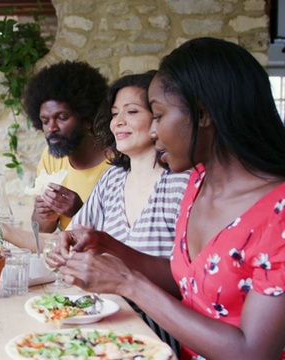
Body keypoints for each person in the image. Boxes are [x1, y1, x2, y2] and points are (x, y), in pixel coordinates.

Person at [50, 37, 285, 359]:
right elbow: (182, 280)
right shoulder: (200, 184)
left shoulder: (279, 212)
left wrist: (128, 283)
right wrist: (106, 244)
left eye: (158, 116)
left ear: (202, 114)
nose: (154, 131)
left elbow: (252, 351)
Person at [72, 71, 190, 258]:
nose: (118, 122)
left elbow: (188, 273)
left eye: (132, 111)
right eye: (114, 114)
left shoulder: (182, 182)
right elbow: (72, 237)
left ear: (158, 117)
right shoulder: (113, 178)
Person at [22, 60, 111, 233]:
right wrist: (45, 214)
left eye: (62, 117)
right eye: (45, 121)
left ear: (87, 119)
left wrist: (80, 211)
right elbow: (41, 232)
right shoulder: (50, 158)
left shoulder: (117, 163)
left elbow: (122, 239)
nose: (51, 128)